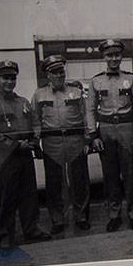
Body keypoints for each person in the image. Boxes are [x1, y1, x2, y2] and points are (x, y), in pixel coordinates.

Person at [0, 59, 48, 254]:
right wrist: (17, 145)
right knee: (6, 198)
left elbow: (35, 121)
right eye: (5, 78)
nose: (9, 82)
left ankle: (31, 230)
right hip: (5, 157)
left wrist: (34, 140)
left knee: (29, 195)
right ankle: (5, 236)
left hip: (25, 155)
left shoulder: (23, 102)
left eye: (12, 78)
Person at [87, 39, 133, 232]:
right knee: (110, 174)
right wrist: (93, 135)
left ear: (122, 56)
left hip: (126, 128)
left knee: (130, 174)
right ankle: (114, 215)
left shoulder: (131, 79)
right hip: (105, 129)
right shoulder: (96, 81)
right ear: (104, 57)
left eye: (117, 55)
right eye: (109, 55)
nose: (113, 58)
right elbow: (90, 110)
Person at [31, 54, 91, 233]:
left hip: (75, 141)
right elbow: (35, 120)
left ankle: (81, 216)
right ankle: (57, 220)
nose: (59, 76)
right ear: (48, 75)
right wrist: (36, 143)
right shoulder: (39, 95)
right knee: (54, 184)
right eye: (54, 73)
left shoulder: (76, 92)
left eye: (61, 72)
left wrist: (88, 139)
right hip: (52, 143)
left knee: (79, 181)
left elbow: (86, 116)